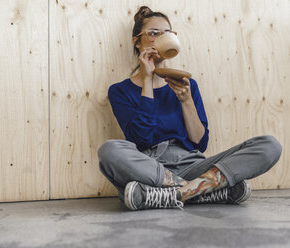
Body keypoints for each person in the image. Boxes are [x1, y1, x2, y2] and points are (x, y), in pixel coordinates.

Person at [97, 6, 282, 210]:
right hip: (150, 167)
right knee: (110, 150)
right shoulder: (119, 91)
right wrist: (147, 80)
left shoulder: (186, 84)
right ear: (137, 42)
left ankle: (165, 196)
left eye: (167, 33)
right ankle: (206, 191)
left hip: (192, 164)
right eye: (153, 33)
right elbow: (141, 138)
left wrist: (186, 101)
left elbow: (200, 143)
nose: (162, 37)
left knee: (270, 145)